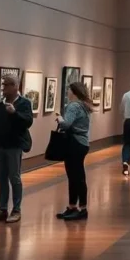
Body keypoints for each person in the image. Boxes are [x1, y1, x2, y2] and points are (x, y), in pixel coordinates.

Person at [0, 75, 33, 223]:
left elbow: (27, 122)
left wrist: (14, 113)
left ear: (15, 86)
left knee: (14, 177)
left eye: (6, 85)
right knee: (1, 179)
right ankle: (2, 209)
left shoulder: (24, 103)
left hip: (14, 146)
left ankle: (16, 209)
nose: (3, 88)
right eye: (3, 85)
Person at [56, 81, 92, 220]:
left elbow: (66, 125)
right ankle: (72, 206)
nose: (67, 92)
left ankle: (81, 208)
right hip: (82, 143)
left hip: (74, 143)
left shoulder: (73, 106)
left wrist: (60, 118)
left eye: (69, 90)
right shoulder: (84, 105)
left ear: (74, 92)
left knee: (76, 177)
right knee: (76, 176)